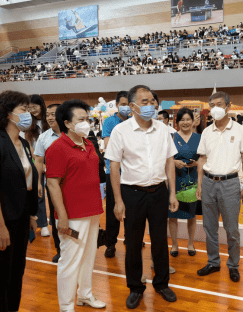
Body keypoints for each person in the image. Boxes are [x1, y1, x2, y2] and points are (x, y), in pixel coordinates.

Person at [105, 85, 179, 309]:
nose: (151, 106)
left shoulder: (163, 129)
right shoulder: (121, 131)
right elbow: (115, 167)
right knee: (134, 242)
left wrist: (172, 193)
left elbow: (169, 162)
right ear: (133, 105)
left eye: (152, 101)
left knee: (159, 240)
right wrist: (118, 200)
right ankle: (135, 287)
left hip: (158, 191)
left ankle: (162, 283)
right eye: (145, 102)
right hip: (131, 193)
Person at [0, 90, 39, 312]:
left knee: (17, 271)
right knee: (2, 275)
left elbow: (28, 181)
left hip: (21, 216)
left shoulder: (22, 143)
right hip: (2, 219)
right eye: (23, 109)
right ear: (7, 113)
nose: (28, 114)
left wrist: (32, 214)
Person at [46, 100, 106, 312]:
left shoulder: (88, 144)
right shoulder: (57, 148)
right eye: (81, 120)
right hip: (72, 216)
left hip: (92, 211)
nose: (86, 123)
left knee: (89, 256)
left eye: (87, 119)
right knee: (70, 260)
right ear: (68, 124)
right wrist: (61, 215)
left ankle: (85, 295)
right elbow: (52, 183)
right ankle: (66, 307)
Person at [195, 91, 243, 283]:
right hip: (208, 182)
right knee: (209, 227)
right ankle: (213, 262)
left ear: (228, 106)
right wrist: (199, 184)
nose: (215, 108)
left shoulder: (239, 130)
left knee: (231, 229)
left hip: (230, 183)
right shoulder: (206, 131)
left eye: (219, 104)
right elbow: (201, 159)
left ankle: (233, 265)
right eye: (212, 105)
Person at [168, 108, 201, 258]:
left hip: (193, 181)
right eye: (182, 120)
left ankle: (190, 243)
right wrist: (174, 161)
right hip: (175, 180)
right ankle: (174, 244)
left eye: (188, 119)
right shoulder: (171, 137)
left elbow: (205, 158)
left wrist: (197, 164)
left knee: (191, 214)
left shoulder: (199, 137)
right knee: (173, 214)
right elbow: (165, 158)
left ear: (193, 121)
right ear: (177, 122)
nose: (185, 122)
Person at [101, 91, 130, 259]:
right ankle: (110, 243)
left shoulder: (135, 122)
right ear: (117, 104)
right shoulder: (109, 121)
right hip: (113, 172)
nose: (125, 107)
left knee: (131, 209)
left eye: (128, 104)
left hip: (131, 174)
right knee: (113, 209)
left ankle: (130, 238)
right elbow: (109, 145)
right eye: (123, 104)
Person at [33, 104, 62, 262]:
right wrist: (38, 183)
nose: (50, 117)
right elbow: (38, 162)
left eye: (54, 114)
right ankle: (59, 249)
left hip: (73, 186)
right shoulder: (44, 137)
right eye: (48, 114)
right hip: (53, 186)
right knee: (56, 217)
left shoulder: (72, 134)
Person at [26, 95, 50, 237]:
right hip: (36, 159)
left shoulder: (50, 120)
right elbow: (28, 144)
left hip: (52, 158)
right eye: (29, 108)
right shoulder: (29, 123)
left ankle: (56, 221)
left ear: (41, 105)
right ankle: (43, 224)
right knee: (39, 192)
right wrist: (39, 160)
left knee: (54, 190)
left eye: (34, 106)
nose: (32, 110)